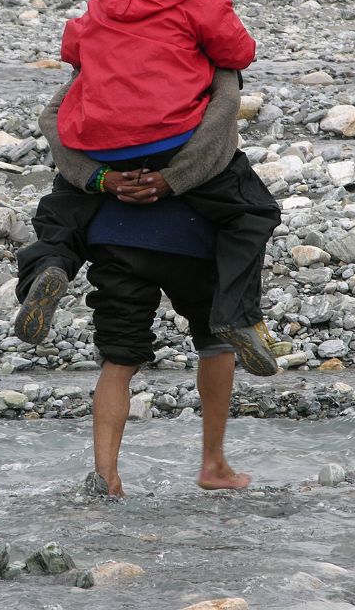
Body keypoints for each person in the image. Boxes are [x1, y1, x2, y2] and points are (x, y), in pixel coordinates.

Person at [15, 0, 282, 376]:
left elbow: (73, 49)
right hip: (169, 140)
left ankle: (48, 268)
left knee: (63, 208)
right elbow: (239, 52)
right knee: (252, 213)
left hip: (98, 142)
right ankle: (236, 316)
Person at [83, 170, 252, 497]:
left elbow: (58, 126)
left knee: (118, 355)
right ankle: (213, 464)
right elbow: (216, 144)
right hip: (193, 227)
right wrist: (173, 178)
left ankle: (107, 479)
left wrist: (104, 178)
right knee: (215, 338)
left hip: (115, 230)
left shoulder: (103, 115)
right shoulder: (189, 114)